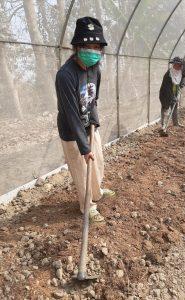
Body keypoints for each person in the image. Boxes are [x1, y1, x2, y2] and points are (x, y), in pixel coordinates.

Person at [55, 17, 115, 223]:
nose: (94, 50)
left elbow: (93, 100)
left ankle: (97, 192)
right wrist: (83, 146)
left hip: (89, 125)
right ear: (77, 47)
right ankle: (87, 205)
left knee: (97, 162)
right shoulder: (65, 75)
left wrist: (94, 123)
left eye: (97, 46)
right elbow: (71, 113)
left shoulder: (95, 69)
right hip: (72, 132)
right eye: (89, 46)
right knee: (81, 169)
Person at [159, 57, 185, 135]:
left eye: (179, 65)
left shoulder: (181, 72)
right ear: (174, 64)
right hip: (165, 94)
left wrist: (182, 84)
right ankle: (163, 126)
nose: (178, 66)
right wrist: (172, 97)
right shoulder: (168, 75)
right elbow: (167, 88)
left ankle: (176, 123)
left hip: (175, 92)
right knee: (165, 108)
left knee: (174, 107)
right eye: (176, 64)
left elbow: (184, 76)